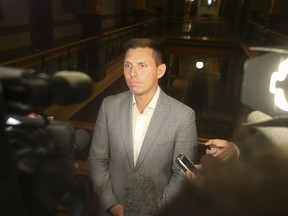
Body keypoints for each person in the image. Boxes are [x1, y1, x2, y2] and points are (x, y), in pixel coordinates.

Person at [87, 38, 198, 216]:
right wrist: (112, 205)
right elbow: (97, 160)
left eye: (142, 66)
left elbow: (181, 175)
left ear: (160, 70)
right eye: (128, 66)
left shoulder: (183, 116)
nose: (133, 73)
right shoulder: (109, 106)